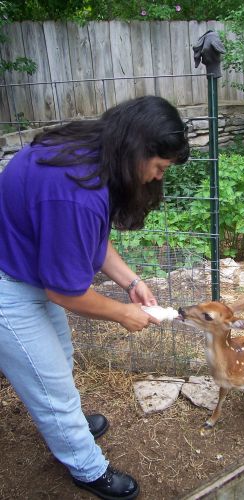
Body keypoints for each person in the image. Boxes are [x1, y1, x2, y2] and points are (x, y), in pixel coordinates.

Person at [0, 95, 189, 499]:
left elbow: (89, 238)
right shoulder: (76, 192)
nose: (157, 178)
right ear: (138, 150)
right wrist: (124, 313)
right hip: (7, 284)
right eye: (158, 168)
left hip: (23, 265)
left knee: (59, 361)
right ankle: (87, 469)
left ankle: (64, 423)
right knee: (50, 385)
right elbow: (65, 292)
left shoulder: (95, 155)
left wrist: (130, 282)